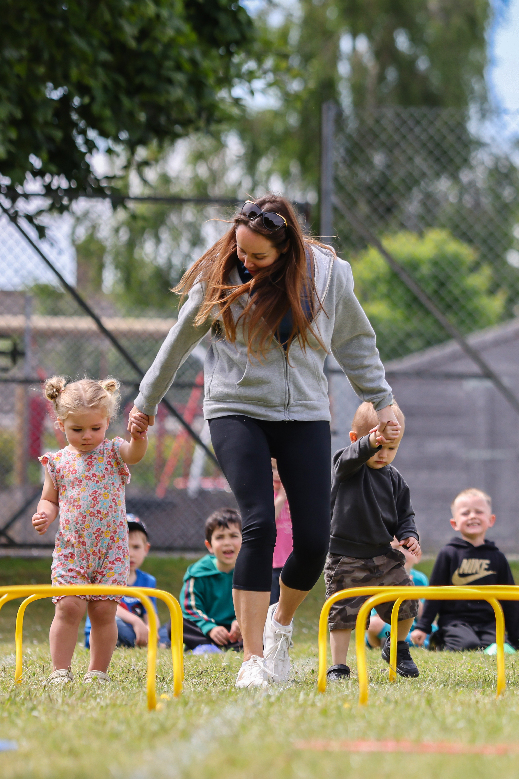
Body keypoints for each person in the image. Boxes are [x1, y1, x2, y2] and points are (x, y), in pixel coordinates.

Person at [130, 195, 399, 688]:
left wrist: (382, 399)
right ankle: (252, 658)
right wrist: (145, 403)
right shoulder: (222, 275)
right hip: (236, 407)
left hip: (303, 411)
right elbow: (177, 342)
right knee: (258, 523)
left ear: (287, 248)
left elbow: (355, 341)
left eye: (258, 256)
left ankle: (279, 625)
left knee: (316, 540)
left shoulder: (329, 275)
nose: (245, 263)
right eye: (241, 252)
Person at [32, 377, 149, 684]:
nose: (87, 436)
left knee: (103, 613)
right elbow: (49, 498)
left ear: (107, 422)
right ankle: (60, 671)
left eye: (95, 428)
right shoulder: (57, 462)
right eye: (77, 430)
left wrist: (138, 437)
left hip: (110, 551)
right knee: (68, 608)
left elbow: (135, 455)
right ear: (61, 425)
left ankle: (97, 673)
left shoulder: (113, 452)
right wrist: (44, 513)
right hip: (72, 550)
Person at [323, 402, 421, 681]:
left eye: (391, 448)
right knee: (342, 613)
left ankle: (398, 647)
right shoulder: (348, 466)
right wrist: (370, 442)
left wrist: (409, 535)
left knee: (406, 601)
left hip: (384, 555)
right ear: (357, 440)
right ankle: (339, 665)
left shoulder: (394, 479)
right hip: (346, 556)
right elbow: (347, 461)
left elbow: (405, 514)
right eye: (378, 447)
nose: (384, 454)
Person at [411, 489, 519, 653]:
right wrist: (423, 626)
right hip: (455, 622)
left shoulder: (497, 557)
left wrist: (515, 638)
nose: (472, 516)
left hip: (489, 623)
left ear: (491, 520)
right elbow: (435, 593)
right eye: (465, 513)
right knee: (466, 646)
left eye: (479, 511)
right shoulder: (448, 554)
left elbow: (510, 599)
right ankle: (439, 640)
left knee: (495, 648)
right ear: (454, 523)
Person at [83, 517, 170, 649]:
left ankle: (151, 642)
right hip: (108, 628)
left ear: (146, 549)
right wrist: (136, 621)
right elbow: (105, 606)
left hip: (134, 630)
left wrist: (150, 630)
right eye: (123, 547)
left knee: (173, 627)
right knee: (113, 624)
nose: (129, 553)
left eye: (136, 547)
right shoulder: (104, 577)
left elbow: (150, 613)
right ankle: (145, 643)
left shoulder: (148, 581)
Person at [182, 509, 244, 653]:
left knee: (267, 625)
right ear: (209, 545)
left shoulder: (252, 571)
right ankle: (205, 647)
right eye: (220, 537)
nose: (227, 543)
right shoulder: (197, 573)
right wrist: (210, 628)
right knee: (176, 623)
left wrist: (241, 621)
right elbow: (190, 608)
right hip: (206, 632)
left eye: (233, 536)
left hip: (238, 633)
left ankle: (240, 647)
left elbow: (259, 603)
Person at [367, 538, 431, 650]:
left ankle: (396, 642)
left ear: (417, 556)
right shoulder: (380, 578)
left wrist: (412, 594)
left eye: (407, 548)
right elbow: (376, 616)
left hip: (412, 628)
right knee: (373, 624)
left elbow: (423, 617)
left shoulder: (420, 579)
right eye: (395, 548)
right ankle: (419, 644)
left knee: (434, 628)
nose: (401, 553)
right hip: (386, 625)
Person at [269, 459, 292, 607]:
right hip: (272, 563)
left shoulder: (295, 497)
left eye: (280, 468)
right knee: (271, 604)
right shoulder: (267, 495)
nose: (277, 474)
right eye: (272, 469)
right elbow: (269, 518)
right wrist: (282, 498)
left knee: (287, 605)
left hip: (290, 562)